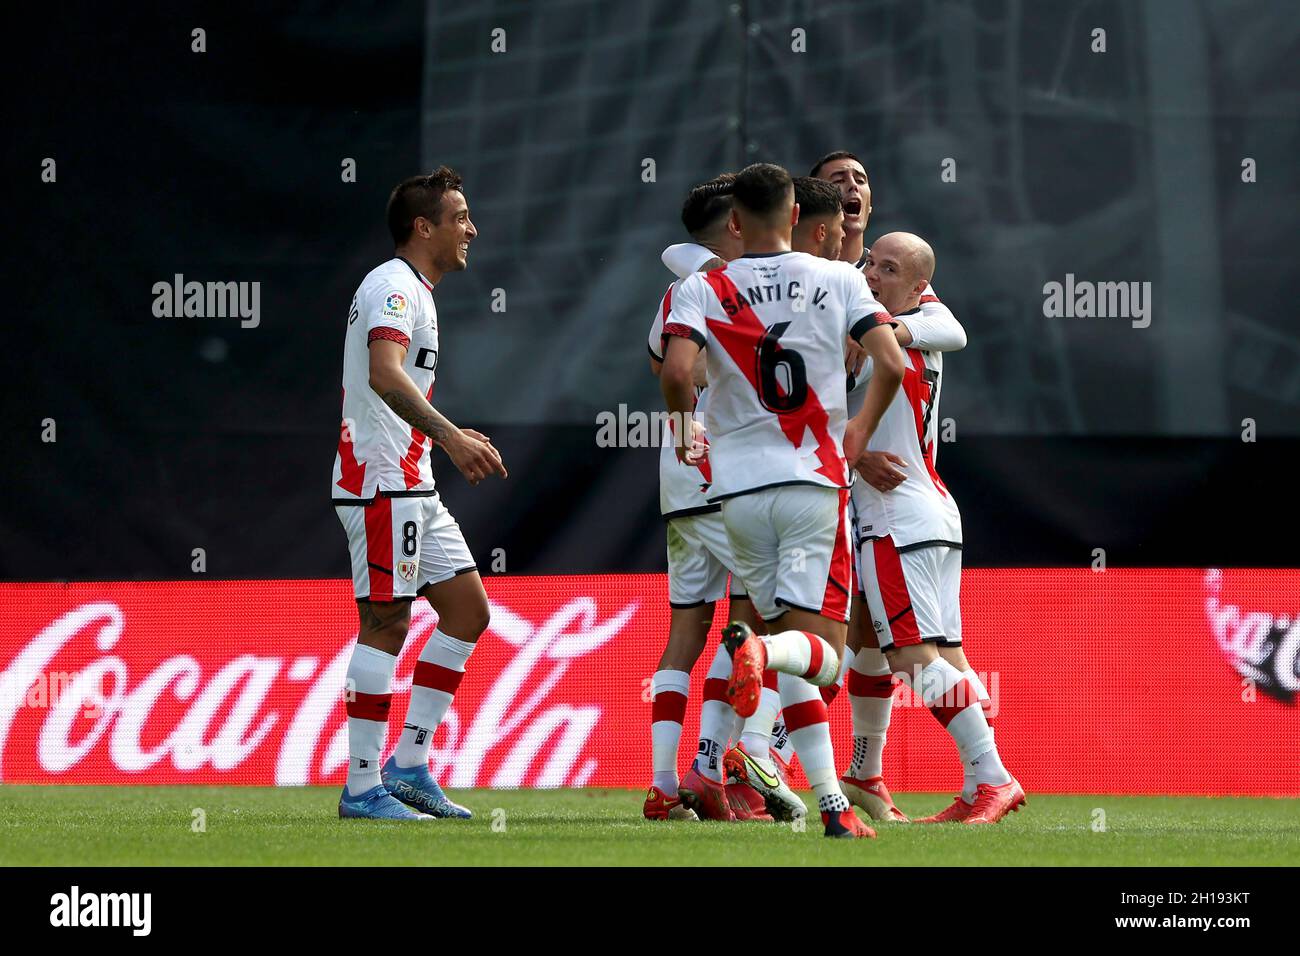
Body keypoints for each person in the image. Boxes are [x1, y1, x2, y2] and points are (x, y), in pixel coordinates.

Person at [660, 162, 905, 838]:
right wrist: (857, 428)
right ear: (797, 217)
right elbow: (890, 362)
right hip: (811, 484)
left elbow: (677, 372)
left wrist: (685, 432)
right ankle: (760, 660)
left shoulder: (704, 285)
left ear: (733, 224)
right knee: (819, 652)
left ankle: (829, 806)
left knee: (786, 640)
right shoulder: (839, 278)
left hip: (736, 493)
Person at [331, 168, 507, 820]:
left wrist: (442, 443)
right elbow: (384, 373)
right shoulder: (394, 287)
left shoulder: (415, 290)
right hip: (382, 481)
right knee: (386, 623)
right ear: (423, 226)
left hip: (412, 482)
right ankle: (362, 786)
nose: (472, 229)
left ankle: (408, 764)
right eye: (460, 217)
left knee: (467, 612)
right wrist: (452, 437)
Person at [846, 232, 1025, 825]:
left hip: (897, 519)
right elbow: (945, 327)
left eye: (889, 269)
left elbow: (945, 328)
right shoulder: (901, 326)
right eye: (872, 262)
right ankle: (872, 773)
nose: (874, 274)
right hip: (924, 513)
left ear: (918, 287)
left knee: (913, 660)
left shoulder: (890, 336)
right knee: (881, 650)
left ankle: (992, 776)